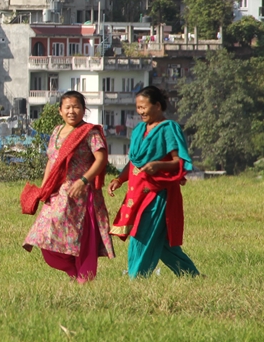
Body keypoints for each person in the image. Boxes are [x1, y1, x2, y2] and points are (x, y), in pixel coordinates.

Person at [22, 91, 114, 282]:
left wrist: (84, 181)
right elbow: (51, 161)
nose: (72, 111)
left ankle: (84, 278)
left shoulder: (90, 133)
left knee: (82, 239)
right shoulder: (56, 131)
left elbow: (101, 159)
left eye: (76, 107)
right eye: (68, 107)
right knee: (43, 236)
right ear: (60, 111)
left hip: (82, 194)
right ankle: (74, 272)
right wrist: (44, 187)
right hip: (58, 193)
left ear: (84, 109)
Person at [109, 86, 199, 278]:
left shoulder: (169, 129)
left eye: (143, 107)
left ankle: (137, 277)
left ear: (157, 106)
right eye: (138, 108)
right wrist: (120, 179)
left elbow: (179, 162)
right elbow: (134, 161)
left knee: (141, 235)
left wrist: (158, 165)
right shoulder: (139, 129)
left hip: (158, 194)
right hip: (137, 192)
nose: (140, 112)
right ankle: (192, 276)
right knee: (163, 244)